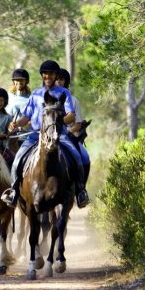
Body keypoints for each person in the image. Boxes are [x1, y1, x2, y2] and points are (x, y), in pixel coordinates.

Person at [1, 60, 90, 209]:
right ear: (42, 75)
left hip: (59, 134)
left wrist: (58, 121)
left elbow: (71, 116)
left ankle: (81, 191)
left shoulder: (64, 93)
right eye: (45, 73)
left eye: (51, 73)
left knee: (79, 156)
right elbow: (26, 116)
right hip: (36, 135)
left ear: (55, 76)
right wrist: (16, 124)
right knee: (17, 159)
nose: (48, 76)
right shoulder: (35, 94)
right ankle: (14, 191)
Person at [56, 68, 91, 201]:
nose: (58, 82)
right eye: (57, 79)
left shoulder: (74, 101)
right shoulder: (48, 98)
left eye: (61, 79)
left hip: (68, 136)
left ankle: (81, 190)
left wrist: (68, 131)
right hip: (50, 135)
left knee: (85, 157)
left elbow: (78, 124)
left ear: (66, 82)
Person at [6, 68, 32, 151]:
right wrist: (9, 125)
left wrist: (25, 125)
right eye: (16, 80)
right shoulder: (8, 97)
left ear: (26, 82)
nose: (19, 82)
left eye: (22, 80)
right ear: (13, 81)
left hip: (26, 138)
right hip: (10, 137)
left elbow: (34, 118)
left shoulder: (31, 99)